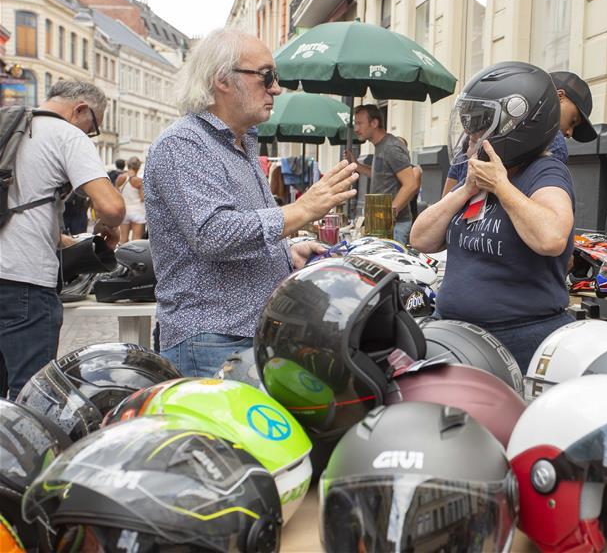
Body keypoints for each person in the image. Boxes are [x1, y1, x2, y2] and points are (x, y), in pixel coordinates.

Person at [144, 28, 358, 377]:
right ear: (223, 80)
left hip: (240, 334)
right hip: (212, 337)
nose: (276, 87)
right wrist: (302, 209)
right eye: (266, 76)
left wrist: (286, 253)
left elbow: (237, 229)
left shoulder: (240, 144)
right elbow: (212, 234)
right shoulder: (184, 143)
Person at [411, 61, 575, 372]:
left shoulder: (545, 172)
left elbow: (552, 238)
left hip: (517, 341)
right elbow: (421, 239)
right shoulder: (480, 174)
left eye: (479, 124)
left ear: (517, 126)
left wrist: (501, 186)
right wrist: (465, 189)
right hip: (455, 334)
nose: (470, 135)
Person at [0, 81, 125, 398]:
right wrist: (107, 225)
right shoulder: (65, 135)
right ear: (81, 109)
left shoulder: (9, 127)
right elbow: (112, 207)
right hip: (25, 282)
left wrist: (73, 244)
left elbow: (20, 211)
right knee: (31, 395)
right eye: (93, 126)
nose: (90, 134)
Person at [441, 70, 597, 197]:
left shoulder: (486, 129)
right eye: (573, 121)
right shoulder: (552, 139)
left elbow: (448, 193)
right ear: (559, 97)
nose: (569, 133)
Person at [344, 105, 418, 244]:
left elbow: (411, 184)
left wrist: (388, 215)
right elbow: (380, 175)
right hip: (382, 224)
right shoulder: (381, 146)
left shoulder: (391, 147)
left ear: (374, 123)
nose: (356, 129)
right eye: (355, 124)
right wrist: (357, 165)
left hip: (394, 227)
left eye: (359, 123)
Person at [116, 156, 145, 243]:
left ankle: (120, 256)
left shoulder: (120, 178)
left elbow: (116, 193)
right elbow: (142, 198)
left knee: (123, 239)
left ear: (127, 165)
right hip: (138, 212)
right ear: (138, 167)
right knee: (136, 241)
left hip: (124, 211)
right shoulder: (139, 181)